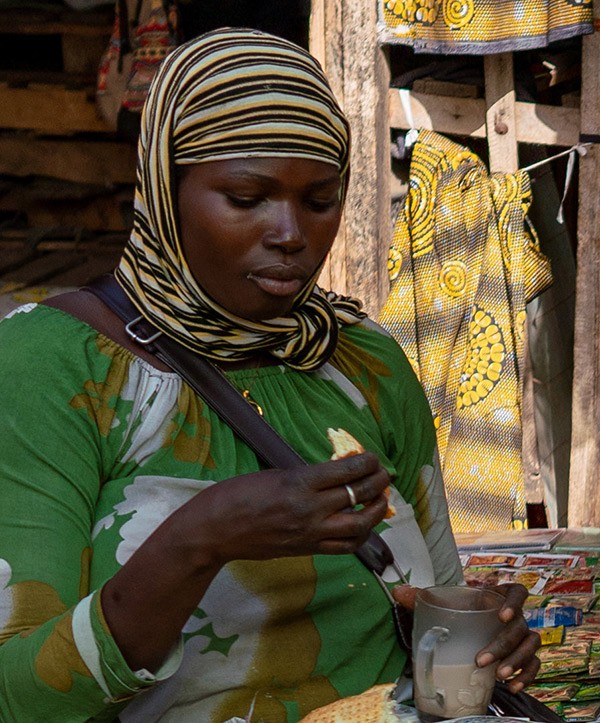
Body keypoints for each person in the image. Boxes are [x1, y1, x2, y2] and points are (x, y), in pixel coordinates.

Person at [0, 27, 539, 723]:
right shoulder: (50, 367)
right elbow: (15, 695)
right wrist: (201, 538)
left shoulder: (363, 362)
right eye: (247, 196)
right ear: (166, 187)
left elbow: (430, 599)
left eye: (320, 200)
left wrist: (480, 637)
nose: (291, 233)